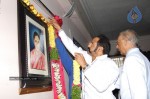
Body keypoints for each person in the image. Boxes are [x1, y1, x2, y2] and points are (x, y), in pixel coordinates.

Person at [51, 18, 119, 99]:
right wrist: (59, 29)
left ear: (100, 49)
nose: (89, 45)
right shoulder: (90, 59)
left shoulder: (110, 64)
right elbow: (72, 47)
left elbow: (101, 86)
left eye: (92, 43)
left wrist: (84, 66)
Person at [116, 29, 150, 99]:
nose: (117, 46)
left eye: (118, 43)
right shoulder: (142, 57)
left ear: (125, 42)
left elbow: (139, 92)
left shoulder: (132, 59)